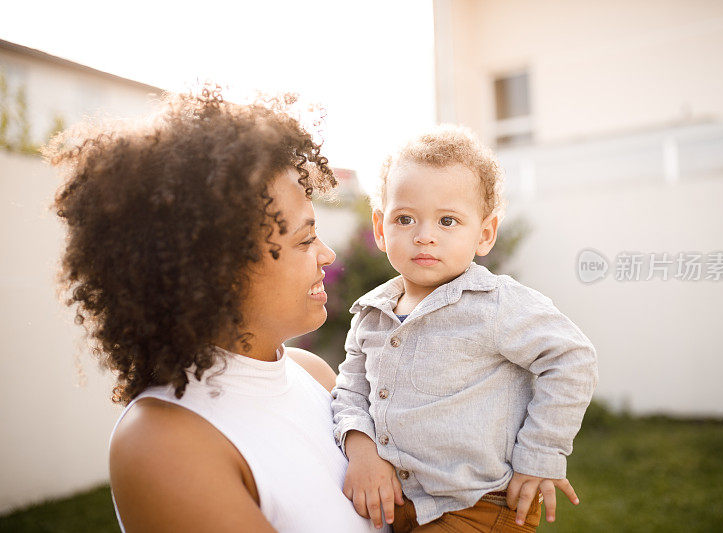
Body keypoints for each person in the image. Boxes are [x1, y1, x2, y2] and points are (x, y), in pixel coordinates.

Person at [46, 87, 388, 532]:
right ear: (219, 268)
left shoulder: (314, 375)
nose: (327, 255)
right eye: (304, 240)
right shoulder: (163, 441)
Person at [330, 125, 599, 531]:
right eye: (405, 219)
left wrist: (540, 456)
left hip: (478, 507)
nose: (424, 237)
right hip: (401, 506)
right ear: (381, 229)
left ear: (485, 233)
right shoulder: (371, 314)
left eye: (448, 221)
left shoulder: (495, 304)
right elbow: (350, 390)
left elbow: (571, 359)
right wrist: (361, 448)